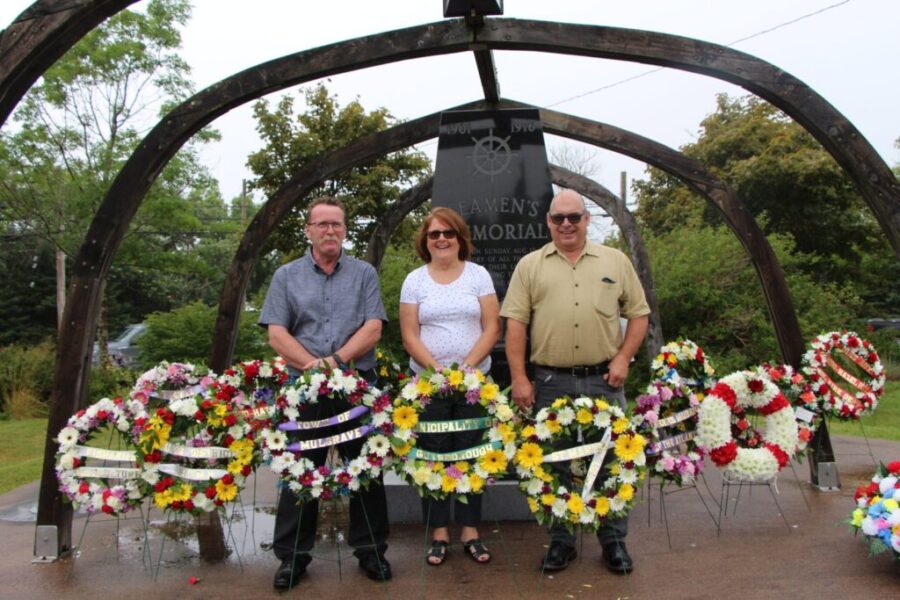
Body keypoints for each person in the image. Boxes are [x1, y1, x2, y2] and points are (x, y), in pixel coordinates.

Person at [500, 189, 650, 574]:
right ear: (548, 222)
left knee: (613, 461)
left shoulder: (614, 261)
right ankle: (561, 542)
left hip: (605, 378)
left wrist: (623, 357)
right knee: (552, 465)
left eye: (573, 217)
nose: (566, 224)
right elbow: (515, 325)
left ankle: (613, 541)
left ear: (587, 219)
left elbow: (638, 315)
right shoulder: (530, 266)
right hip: (550, 381)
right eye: (558, 218)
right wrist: (519, 377)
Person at [258, 196, 391, 589]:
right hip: (302, 391)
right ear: (309, 230)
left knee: (366, 469)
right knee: (300, 473)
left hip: (355, 387)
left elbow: (373, 327)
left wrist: (334, 363)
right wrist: (313, 368)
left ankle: (371, 552)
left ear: (345, 230)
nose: (330, 230)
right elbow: (276, 333)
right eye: (322, 224)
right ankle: (293, 557)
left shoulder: (364, 273)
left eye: (336, 224)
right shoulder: (286, 276)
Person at [399, 207, 501, 566]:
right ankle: (439, 533)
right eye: (434, 234)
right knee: (434, 456)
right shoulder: (415, 280)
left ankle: (470, 531)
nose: (441, 239)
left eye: (448, 233)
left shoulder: (478, 276)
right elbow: (409, 333)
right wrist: (437, 370)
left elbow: (492, 327)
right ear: (425, 241)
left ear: (460, 238)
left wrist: (467, 369)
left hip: (474, 385)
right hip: (428, 386)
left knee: (471, 455)